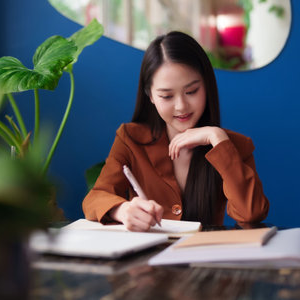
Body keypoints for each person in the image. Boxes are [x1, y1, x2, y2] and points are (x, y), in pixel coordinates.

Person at [82, 31, 269, 232]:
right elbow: (94, 198)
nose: (181, 106)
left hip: (204, 257)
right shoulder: (131, 139)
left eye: (191, 92)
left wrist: (217, 138)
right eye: (166, 96)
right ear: (151, 96)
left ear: (206, 85)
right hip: (147, 259)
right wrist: (122, 210)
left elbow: (251, 213)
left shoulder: (232, 146)